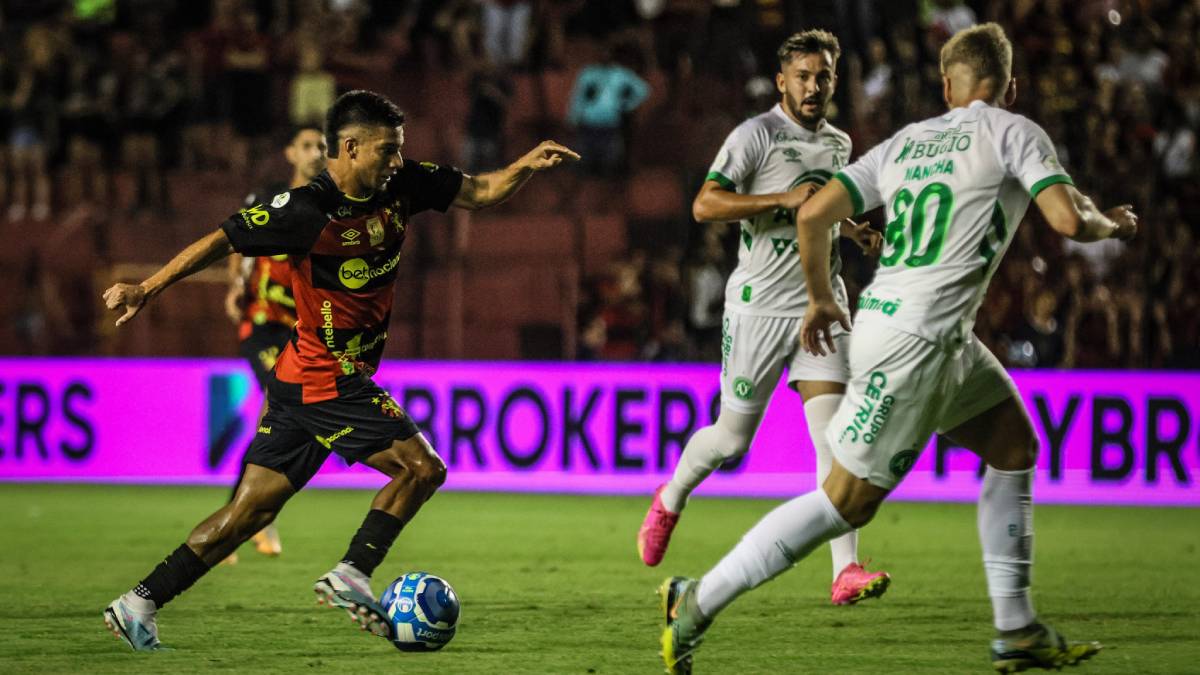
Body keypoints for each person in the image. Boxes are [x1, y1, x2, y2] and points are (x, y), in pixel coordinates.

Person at [659, 23, 1135, 674]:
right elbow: (1068, 220)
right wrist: (1113, 222)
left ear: (946, 87)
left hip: (927, 330)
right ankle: (697, 599)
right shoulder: (1014, 130)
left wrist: (824, 298)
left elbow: (812, 213)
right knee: (842, 500)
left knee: (1014, 445)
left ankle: (1017, 627)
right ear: (1010, 87)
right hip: (916, 343)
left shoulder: (908, 142)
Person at [101, 90, 579, 651]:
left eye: (399, 150)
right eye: (387, 150)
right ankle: (353, 570)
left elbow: (479, 190)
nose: (397, 160)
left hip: (302, 376)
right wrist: (148, 289)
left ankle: (139, 602)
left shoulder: (401, 183)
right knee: (422, 468)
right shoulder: (306, 209)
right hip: (326, 376)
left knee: (248, 512)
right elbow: (222, 240)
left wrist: (524, 164)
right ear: (350, 148)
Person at [637, 30, 889, 607]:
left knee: (838, 442)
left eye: (823, 75)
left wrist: (852, 230)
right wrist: (778, 199)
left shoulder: (839, 143)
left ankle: (844, 571)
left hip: (821, 303)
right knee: (731, 438)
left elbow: (820, 205)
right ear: (782, 80)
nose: (813, 86)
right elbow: (705, 204)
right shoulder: (755, 136)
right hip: (757, 309)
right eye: (802, 75)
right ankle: (672, 496)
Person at [218, 124, 328, 565]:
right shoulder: (269, 200)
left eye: (321, 145)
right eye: (306, 145)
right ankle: (244, 519)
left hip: (301, 330)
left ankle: (246, 517)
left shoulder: (329, 206)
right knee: (281, 403)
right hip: (262, 325)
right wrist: (232, 286)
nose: (315, 152)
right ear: (289, 153)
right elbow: (237, 244)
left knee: (278, 418)